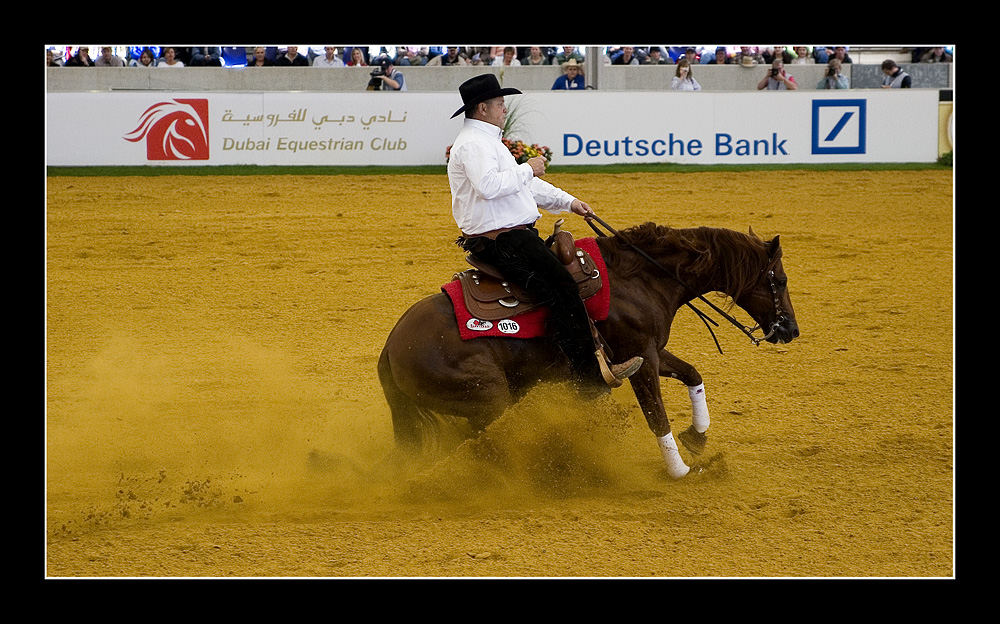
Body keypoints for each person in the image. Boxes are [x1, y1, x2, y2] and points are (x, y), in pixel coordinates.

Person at [446, 74, 643, 396]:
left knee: (560, 283)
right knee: (563, 286)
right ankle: (588, 375)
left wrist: (569, 202)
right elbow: (490, 187)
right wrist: (528, 167)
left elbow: (523, 186)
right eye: (499, 103)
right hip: (503, 240)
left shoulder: (484, 142)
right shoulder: (473, 145)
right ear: (482, 108)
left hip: (509, 236)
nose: (504, 109)